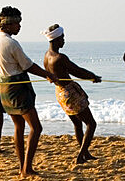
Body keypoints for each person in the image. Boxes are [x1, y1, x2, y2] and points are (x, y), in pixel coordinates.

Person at [0, 6, 58, 178]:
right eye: (17, 23)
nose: (20, 26)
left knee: (18, 126)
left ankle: (23, 167)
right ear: (8, 24)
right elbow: (27, 65)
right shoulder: (11, 43)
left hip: (3, 87)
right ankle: (26, 168)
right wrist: (48, 75)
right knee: (36, 127)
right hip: (16, 87)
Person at [42, 24, 102, 165]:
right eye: (62, 38)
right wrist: (93, 77)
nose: (64, 40)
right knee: (91, 124)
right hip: (69, 93)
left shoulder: (46, 56)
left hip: (60, 93)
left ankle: (85, 153)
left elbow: (48, 75)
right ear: (56, 39)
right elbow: (77, 71)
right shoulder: (59, 57)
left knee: (77, 123)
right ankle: (81, 155)